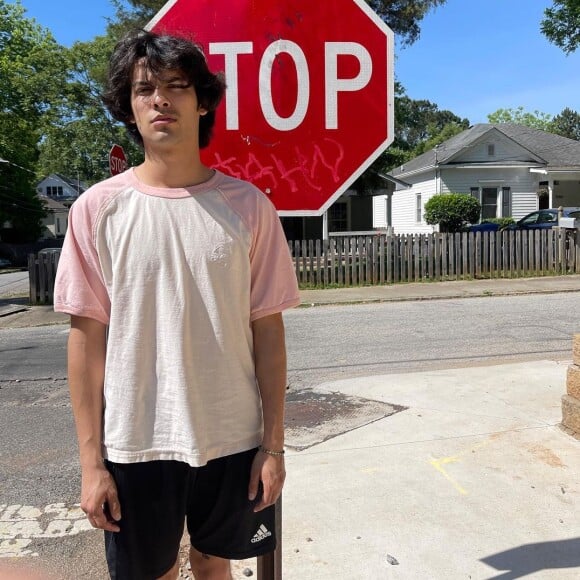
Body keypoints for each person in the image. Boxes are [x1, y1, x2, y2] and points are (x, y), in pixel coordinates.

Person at [54, 29, 300, 580]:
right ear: (130, 107)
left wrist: (274, 447)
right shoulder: (97, 210)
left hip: (233, 438)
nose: (160, 99)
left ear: (203, 101)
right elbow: (86, 341)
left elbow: (269, 332)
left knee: (217, 569)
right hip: (136, 442)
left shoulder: (249, 208)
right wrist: (91, 463)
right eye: (145, 90)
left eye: (176, 85)